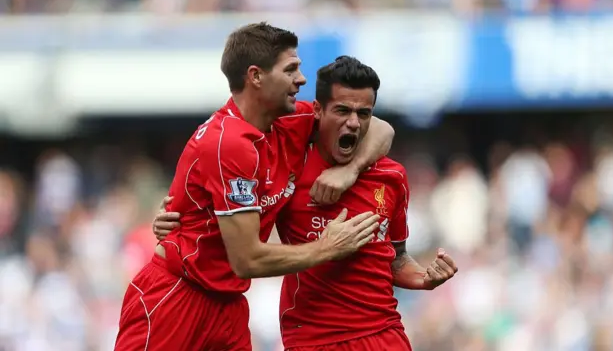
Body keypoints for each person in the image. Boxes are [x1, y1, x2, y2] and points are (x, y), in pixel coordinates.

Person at [114, 24, 395, 351]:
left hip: (228, 304)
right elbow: (246, 259)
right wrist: (328, 248)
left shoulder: (292, 123)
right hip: (177, 297)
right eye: (291, 70)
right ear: (255, 76)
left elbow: (380, 128)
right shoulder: (229, 143)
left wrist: (350, 171)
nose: (301, 80)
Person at [153, 56, 458, 351]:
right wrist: (176, 220)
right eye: (341, 110)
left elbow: (396, 258)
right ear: (317, 111)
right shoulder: (288, 172)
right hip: (311, 339)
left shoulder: (393, 176)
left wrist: (423, 278)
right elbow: (227, 219)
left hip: (382, 334)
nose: (353, 123)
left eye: (363, 114)